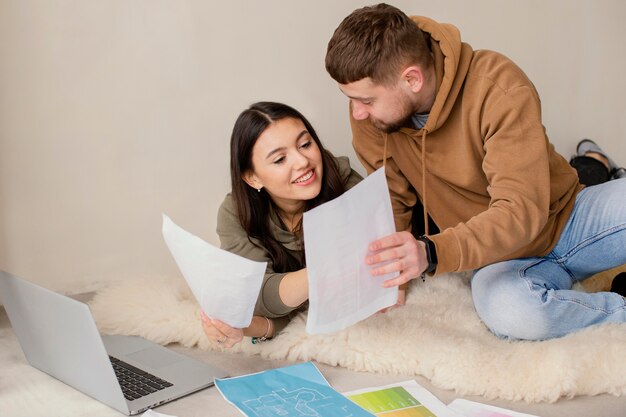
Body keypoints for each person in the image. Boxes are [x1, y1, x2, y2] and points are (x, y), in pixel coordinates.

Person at [325, 3, 626, 340]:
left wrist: (432, 252)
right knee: (514, 314)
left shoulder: (496, 84)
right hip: (499, 259)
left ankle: (596, 166)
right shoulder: (373, 120)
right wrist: (390, 277)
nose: (357, 112)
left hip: (571, 217)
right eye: (350, 98)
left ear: (411, 78)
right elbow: (392, 200)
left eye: (365, 99)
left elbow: (520, 212)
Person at [200, 101, 363, 348]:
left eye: (306, 144)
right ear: (252, 177)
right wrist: (240, 328)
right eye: (279, 159)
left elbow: (359, 279)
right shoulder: (236, 213)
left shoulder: (344, 183)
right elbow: (257, 294)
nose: (302, 162)